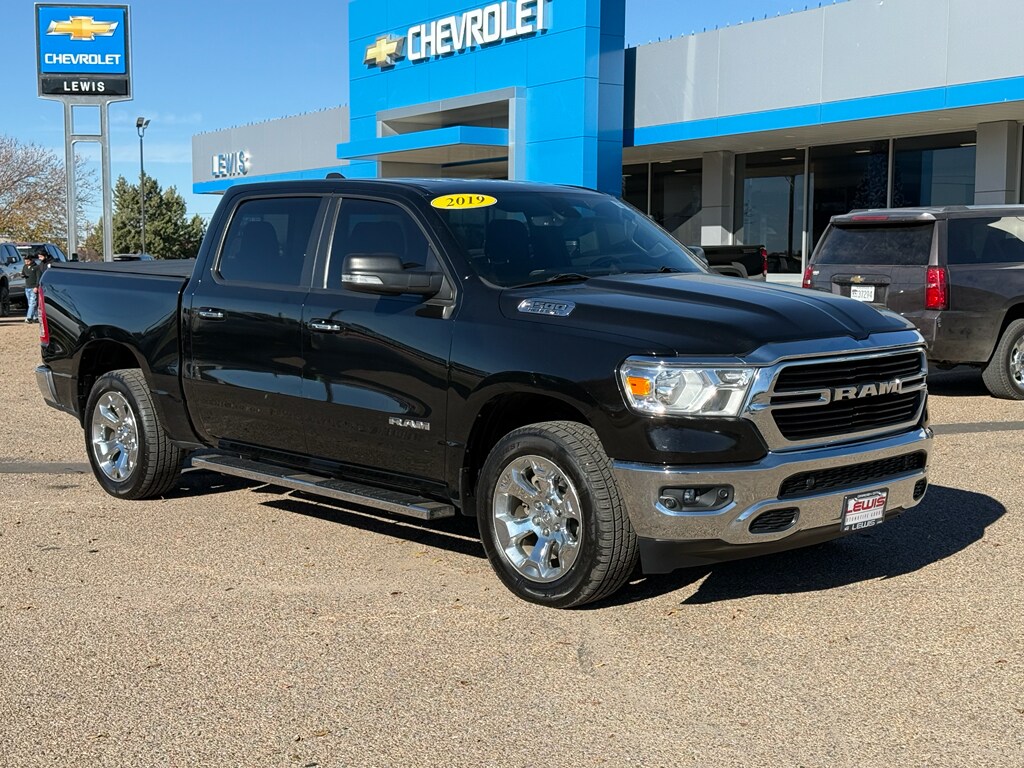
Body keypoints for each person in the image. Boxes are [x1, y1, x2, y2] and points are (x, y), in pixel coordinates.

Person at [21, 252, 42, 323]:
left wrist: (36, 286)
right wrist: (23, 275)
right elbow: (23, 273)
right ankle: (35, 317)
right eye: (25, 261)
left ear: (31, 260)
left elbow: (38, 277)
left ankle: (29, 317)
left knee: (32, 303)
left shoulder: (36, 267)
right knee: (31, 303)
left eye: (28, 261)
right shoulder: (25, 267)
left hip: (33, 287)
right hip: (27, 287)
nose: (26, 262)